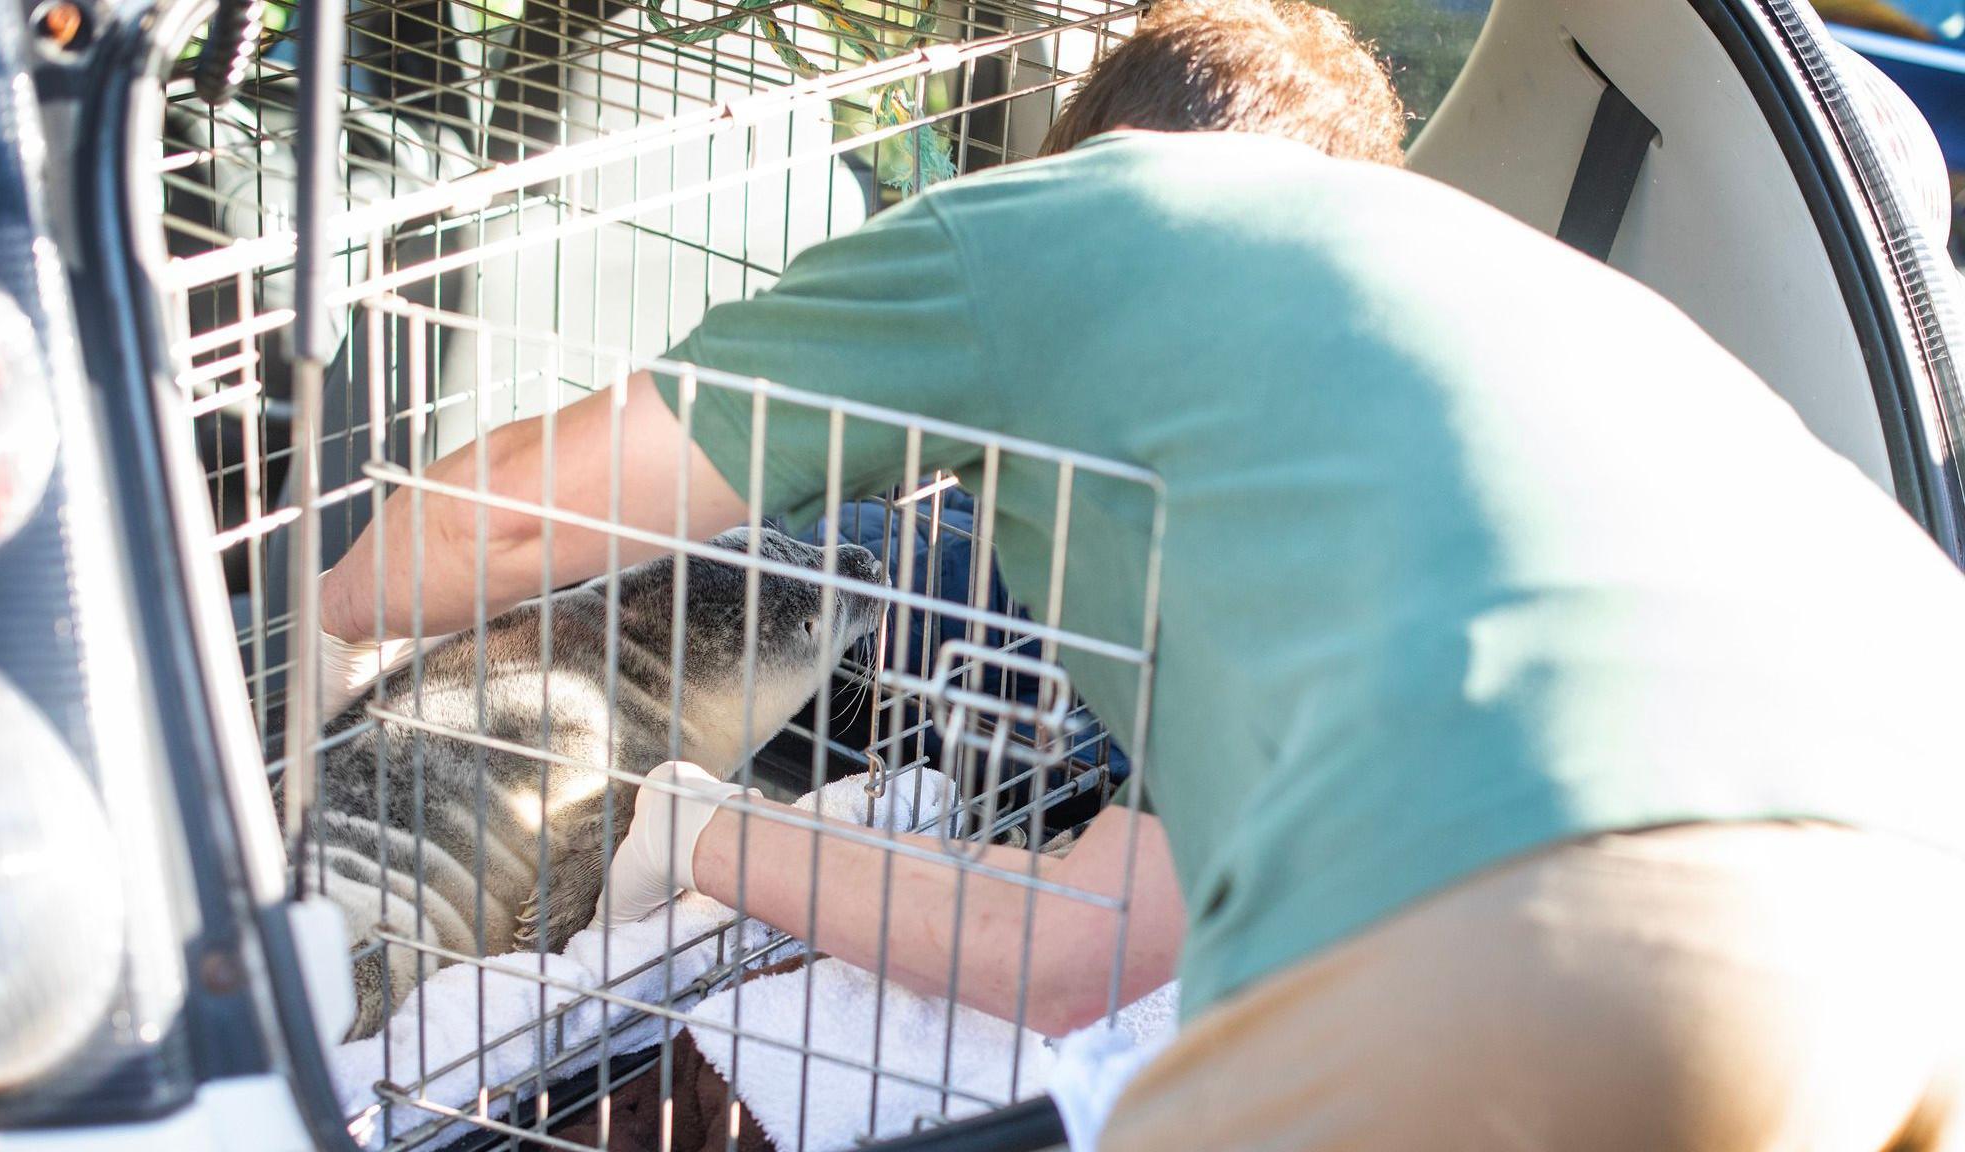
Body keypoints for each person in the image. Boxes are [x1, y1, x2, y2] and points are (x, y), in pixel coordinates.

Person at [316, 1, 1965, 1147]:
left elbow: (509, 526)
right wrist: (709, 833)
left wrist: (295, 648)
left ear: (1070, 144)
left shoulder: (1057, 225)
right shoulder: (1426, 358)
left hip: (1568, 908)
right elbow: (1083, 955)